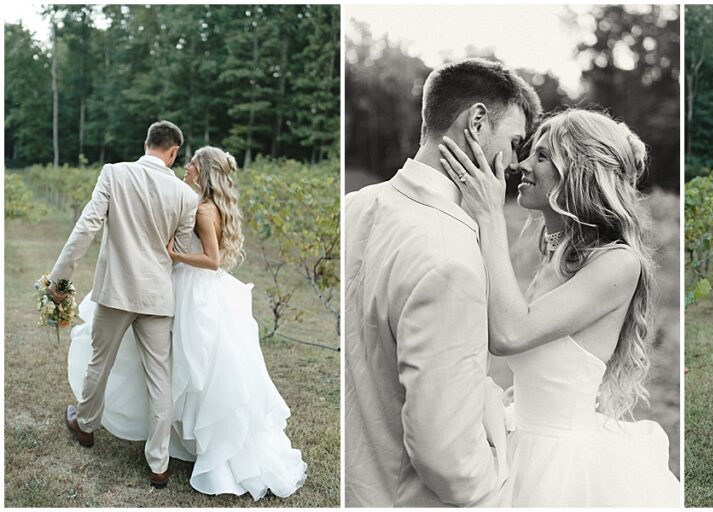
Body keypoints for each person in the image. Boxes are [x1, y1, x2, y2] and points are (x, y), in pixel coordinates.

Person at [438, 108, 680, 507]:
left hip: (561, 467)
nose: (522, 164)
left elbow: (509, 333)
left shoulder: (619, 264)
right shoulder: (557, 256)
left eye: (543, 156)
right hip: (523, 441)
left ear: (580, 172)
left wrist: (490, 216)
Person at [344, 58, 541, 507]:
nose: (513, 163)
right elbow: (446, 457)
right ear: (476, 122)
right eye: (513, 142)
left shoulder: (356, 204)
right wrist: (499, 475)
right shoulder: (451, 258)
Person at [68, 146, 307, 500]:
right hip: (200, 288)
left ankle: (170, 441)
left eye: (192, 163)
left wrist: (173, 254)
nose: (186, 166)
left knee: (185, 368)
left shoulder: (202, 209)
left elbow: (211, 259)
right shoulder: (205, 204)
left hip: (194, 289)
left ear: (204, 171)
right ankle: (166, 444)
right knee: (179, 369)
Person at [53, 120, 198, 488]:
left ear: (146, 142)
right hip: (157, 296)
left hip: (116, 291)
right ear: (174, 151)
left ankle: (85, 426)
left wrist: (60, 277)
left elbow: (87, 226)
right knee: (159, 379)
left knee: (99, 361)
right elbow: (179, 253)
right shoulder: (185, 195)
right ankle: (159, 463)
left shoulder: (114, 174)